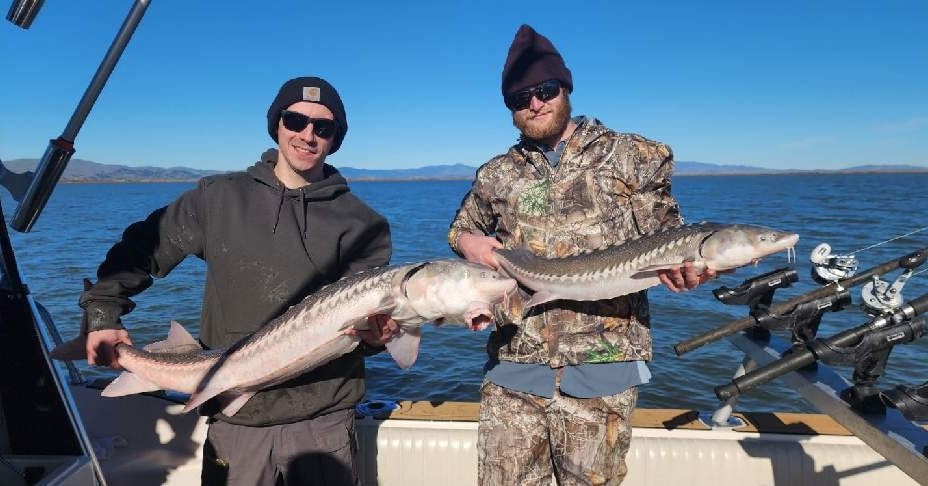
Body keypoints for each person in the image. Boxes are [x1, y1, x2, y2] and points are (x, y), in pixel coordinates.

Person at [80, 76, 394, 485]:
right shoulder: (218, 198)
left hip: (323, 422)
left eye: (323, 127)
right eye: (295, 120)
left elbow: (359, 334)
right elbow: (141, 249)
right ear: (276, 124)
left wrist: (378, 338)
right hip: (235, 418)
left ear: (336, 138)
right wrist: (103, 313)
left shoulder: (363, 224)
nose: (307, 135)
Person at [448, 25, 717, 485]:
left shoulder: (633, 155)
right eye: (520, 98)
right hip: (513, 369)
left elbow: (670, 235)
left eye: (545, 90)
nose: (535, 104)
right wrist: (468, 243)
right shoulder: (495, 174)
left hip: (602, 374)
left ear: (566, 89)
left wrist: (693, 271)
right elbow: (461, 230)